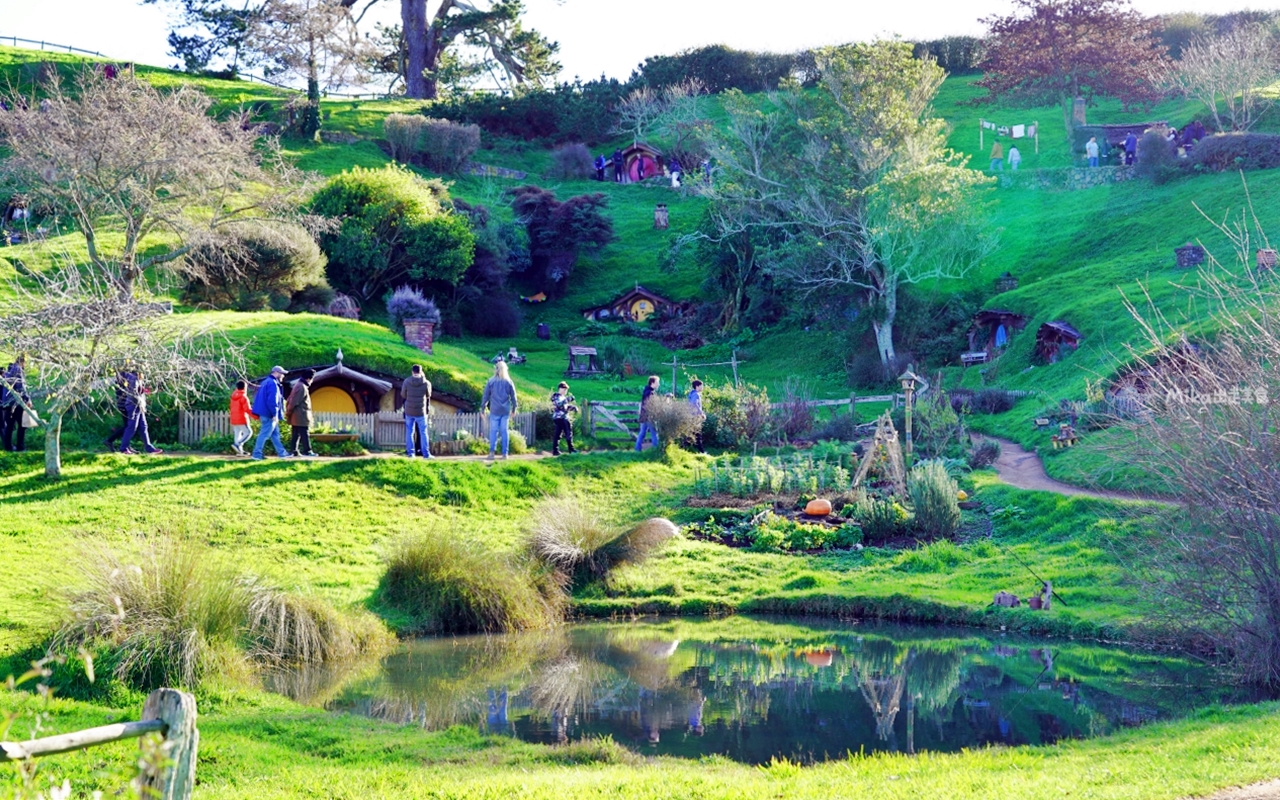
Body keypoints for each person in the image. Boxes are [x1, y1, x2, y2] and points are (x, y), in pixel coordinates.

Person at [251, 365, 292, 460]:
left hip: (265, 413)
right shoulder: (273, 383)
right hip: (269, 414)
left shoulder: (265, 382)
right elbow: (272, 400)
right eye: (282, 374)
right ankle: (256, 454)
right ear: (276, 373)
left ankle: (282, 453)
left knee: (275, 434)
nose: (283, 376)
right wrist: (274, 414)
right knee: (264, 434)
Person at [118, 369, 163, 455]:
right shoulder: (132, 377)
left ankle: (149, 448)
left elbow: (141, 393)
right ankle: (123, 448)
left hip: (139, 406)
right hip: (133, 405)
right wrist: (140, 403)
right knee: (132, 426)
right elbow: (133, 393)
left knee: (143, 426)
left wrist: (143, 404)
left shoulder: (138, 378)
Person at [481, 360, 518, 460]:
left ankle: (492, 452)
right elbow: (514, 397)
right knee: (504, 431)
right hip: (505, 410)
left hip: (495, 410)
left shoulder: (491, 381)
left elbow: (485, 397)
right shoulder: (509, 382)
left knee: (493, 431)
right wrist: (514, 409)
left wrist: (482, 409)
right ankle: (505, 454)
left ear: (496, 369)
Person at [0, 355, 29, 452]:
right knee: (22, 425)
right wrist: (27, 399)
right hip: (16, 402)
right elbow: (20, 386)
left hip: (7, 403)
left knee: (10, 426)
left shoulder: (9, 370)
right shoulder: (18, 369)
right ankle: (20, 447)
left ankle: (8, 447)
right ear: (23, 361)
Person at [285, 369, 317, 457]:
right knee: (304, 433)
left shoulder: (298, 385)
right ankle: (308, 451)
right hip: (301, 415)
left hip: (297, 415)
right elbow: (294, 402)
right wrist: (288, 412)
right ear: (308, 379)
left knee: (296, 434)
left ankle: (294, 451)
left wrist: (289, 412)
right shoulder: (302, 387)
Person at [403, 364, 432, 458]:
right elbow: (428, 395)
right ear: (421, 371)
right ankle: (426, 455)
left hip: (409, 410)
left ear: (412, 371)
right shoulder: (426, 383)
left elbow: (403, 394)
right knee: (423, 432)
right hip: (421, 411)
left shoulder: (407, 381)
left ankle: (411, 454)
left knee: (409, 432)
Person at [229, 380, 257, 456]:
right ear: (245, 387)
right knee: (248, 432)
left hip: (233, 418)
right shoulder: (243, 397)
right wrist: (256, 416)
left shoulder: (233, 396)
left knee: (237, 434)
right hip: (241, 418)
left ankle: (240, 452)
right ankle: (237, 445)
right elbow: (247, 409)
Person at [550, 381, 577, 456]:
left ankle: (555, 451)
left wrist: (573, 407)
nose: (565, 391)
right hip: (561, 418)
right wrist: (568, 399)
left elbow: (565, 407)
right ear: (560, 389)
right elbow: (559, 405)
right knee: (568, 432)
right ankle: (571, 449)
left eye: (566, 390)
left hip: (560, 417)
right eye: (564, 389)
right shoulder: (556, 396)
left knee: (558, 434)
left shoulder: (562, 397)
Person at [635, 375, 660, 452]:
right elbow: (651, 405)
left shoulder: (646, 391)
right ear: (652, 383)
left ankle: (637, 449)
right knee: (654, 433)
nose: (658, 384)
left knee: (642, 433)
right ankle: (656, 450)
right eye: (657, 382)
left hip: (644, 415)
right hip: (649, 416)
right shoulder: (651, 393)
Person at [687, 379, 705, 453]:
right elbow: (694, 404)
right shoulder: (696, 395)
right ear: (697, 386)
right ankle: (702, 451)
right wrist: (701, 413)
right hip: (695, 417)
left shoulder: (692, 393)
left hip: (692, 416)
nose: (702, 387)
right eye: (701, 386)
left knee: (692, 433)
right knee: (698, 434)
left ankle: (685, 448)